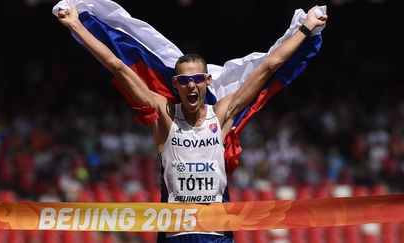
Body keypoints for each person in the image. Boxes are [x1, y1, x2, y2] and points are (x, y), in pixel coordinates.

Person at [57, 5, 327, 243]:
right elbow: (117, 66)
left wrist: (306, 27)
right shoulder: (163, 115)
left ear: (208, 82)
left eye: (197, 79)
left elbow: (269, 66)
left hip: (217, 234)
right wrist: (77, 26)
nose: (191, 85)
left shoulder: (221, 115)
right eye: (184, 81)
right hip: (176, 234)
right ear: (175, 84)